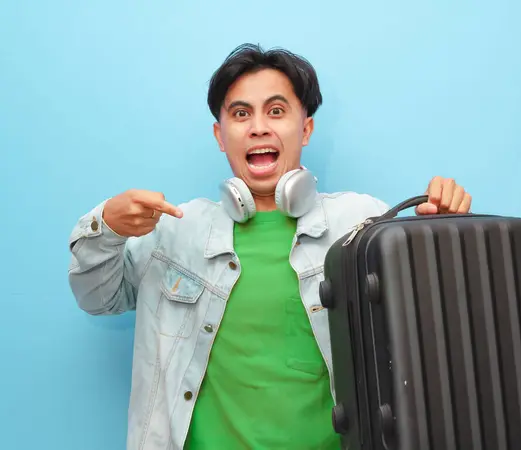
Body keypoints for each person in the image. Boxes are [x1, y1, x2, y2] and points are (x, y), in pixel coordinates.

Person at [67, 43, 472, 450]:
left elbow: (426, 334)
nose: (258, 127)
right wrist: (107, 226)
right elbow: (98, 299)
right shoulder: (175, 232)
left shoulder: (361, 223)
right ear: (220, 135)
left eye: (276, 111)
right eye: (241, 114)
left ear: (306, 129)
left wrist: (439, 236)